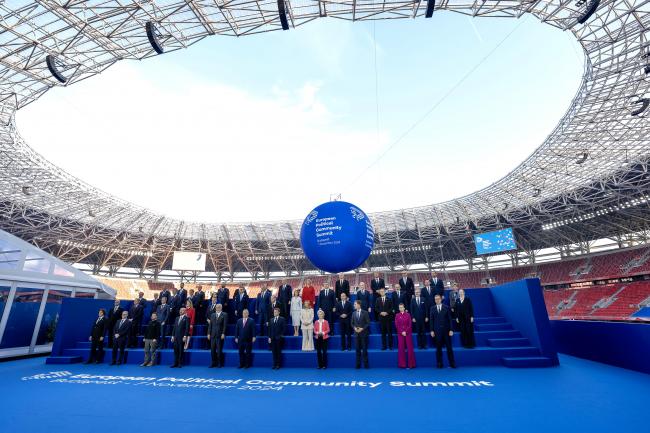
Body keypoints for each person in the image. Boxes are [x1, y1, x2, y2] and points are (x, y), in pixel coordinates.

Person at [429, 294, 456, 368]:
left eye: (438, 299)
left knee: (449, 348)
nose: (437, 300)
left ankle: (452, 363)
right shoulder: (432, 308)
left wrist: (451, 329)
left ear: (441, 299)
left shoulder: (446, 307)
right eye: (435, 299)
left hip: (446, 331)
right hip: (437, 331)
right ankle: (439, 363)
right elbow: (431, 320)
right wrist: (431, 330)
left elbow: (450, 319)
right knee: (438, 348)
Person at [395, 303, 416, 369]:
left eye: (402, 307)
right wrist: (402, 332)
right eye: (399, 307)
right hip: (400, 334)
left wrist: (405, 331)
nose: (401, 308)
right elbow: (397, 325)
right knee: (401, 349)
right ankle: (402, 364)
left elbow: (410, 324)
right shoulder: (397, 315)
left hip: (408, 333)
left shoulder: (408, 315)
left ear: (404, 308)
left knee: (410, 348)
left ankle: (411, 364)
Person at [208, 303, 228, 368]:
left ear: (221, 308)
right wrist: (208, 333)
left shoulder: (224, 314)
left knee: (219, 350)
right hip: (213, 335)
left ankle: (219, 363)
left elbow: (225, 325)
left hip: (220, 335)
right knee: (212, 350)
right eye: (217, 307)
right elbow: (210, 325)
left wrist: (223, 333)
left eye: (219, 307)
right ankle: (213, 362)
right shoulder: (212, 315)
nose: (218, 308)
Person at [352, 300, 370, 369]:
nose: (354, 305)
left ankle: (366, 365)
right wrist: (355, 328)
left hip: (363, 334)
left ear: (359, 305)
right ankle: (358, 365)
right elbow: (352, 323)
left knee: (364, 349)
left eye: (355, 304)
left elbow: (368, 323)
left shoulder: (365, 313)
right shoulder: (353, 313)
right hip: (356, 334)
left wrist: (362, 328)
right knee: (357, 350)